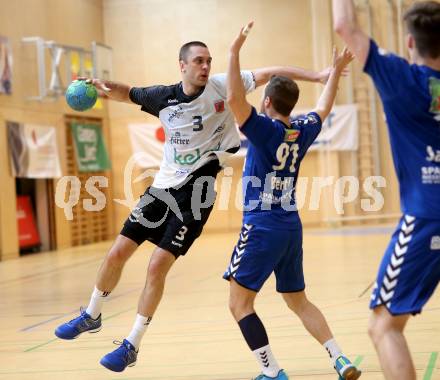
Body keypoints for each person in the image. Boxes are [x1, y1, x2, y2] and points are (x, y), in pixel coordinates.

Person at [54, 39, 336, 372]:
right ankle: (92, 314)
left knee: (156, 266)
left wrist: (317, 76)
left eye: (208, 61)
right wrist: (102, 87)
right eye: (199, 61)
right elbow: (127, 92)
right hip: (161, 189)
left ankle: (132, 344)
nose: (205, 67)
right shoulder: (163, 97)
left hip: (197, 195)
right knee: (117, 252)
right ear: (182, 65)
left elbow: (270, 73)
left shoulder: (221, 87)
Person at [223, 22, 361, 380]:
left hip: (261, 225)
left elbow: (236, 100)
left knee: (239, 304)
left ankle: (271, 372)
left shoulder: (265, 129)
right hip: (290, 227)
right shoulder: (301, 129)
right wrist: (337, 74)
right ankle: (340, 358)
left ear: (267, 102)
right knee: (298, 300)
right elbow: (325, 107)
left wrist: (234, 52)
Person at [332, 1, 440, 379]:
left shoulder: (401, 77)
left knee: (383, 325)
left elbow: (345, 25)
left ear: (410, 42)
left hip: (429, 217)